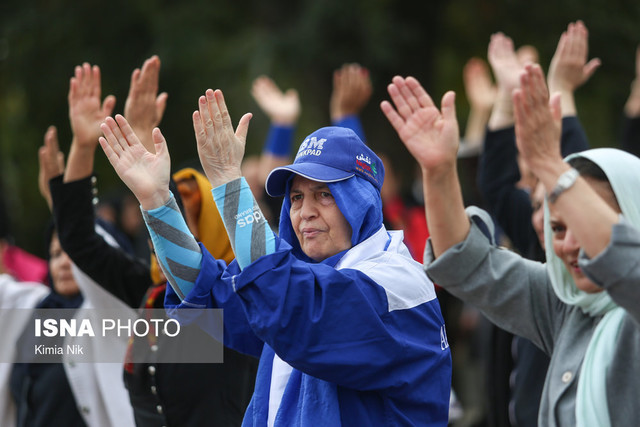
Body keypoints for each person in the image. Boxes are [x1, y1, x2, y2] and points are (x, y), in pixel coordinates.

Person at [98, 87, 452, 425]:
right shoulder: (303, 279)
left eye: (324, 194)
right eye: (296, 198)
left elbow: (295, 307)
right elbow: (206, 295)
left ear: (362, 202)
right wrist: (157, 202)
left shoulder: (397, 284)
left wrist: (228, 182)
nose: (304, 212)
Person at [381, 62, 640, 426]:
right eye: (558, 229)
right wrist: (439, 173)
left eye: (584, 221)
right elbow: (469, 265)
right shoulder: (565, 305)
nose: (569, 244)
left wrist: (551, 165)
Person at [50, 58, 257, 426]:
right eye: (157, 228)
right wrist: (84, 145)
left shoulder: (245, 306)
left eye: (180, 229)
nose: (164, 239)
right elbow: (80, 241)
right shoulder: (153, 298)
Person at [477, 22, 597, 426]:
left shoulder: (597, 273)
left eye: (558, 217)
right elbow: (494, 183)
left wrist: (564, 88)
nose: (545, 223)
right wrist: (503, 103)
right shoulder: (536, 244)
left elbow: (581, 185)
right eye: (537, 204)